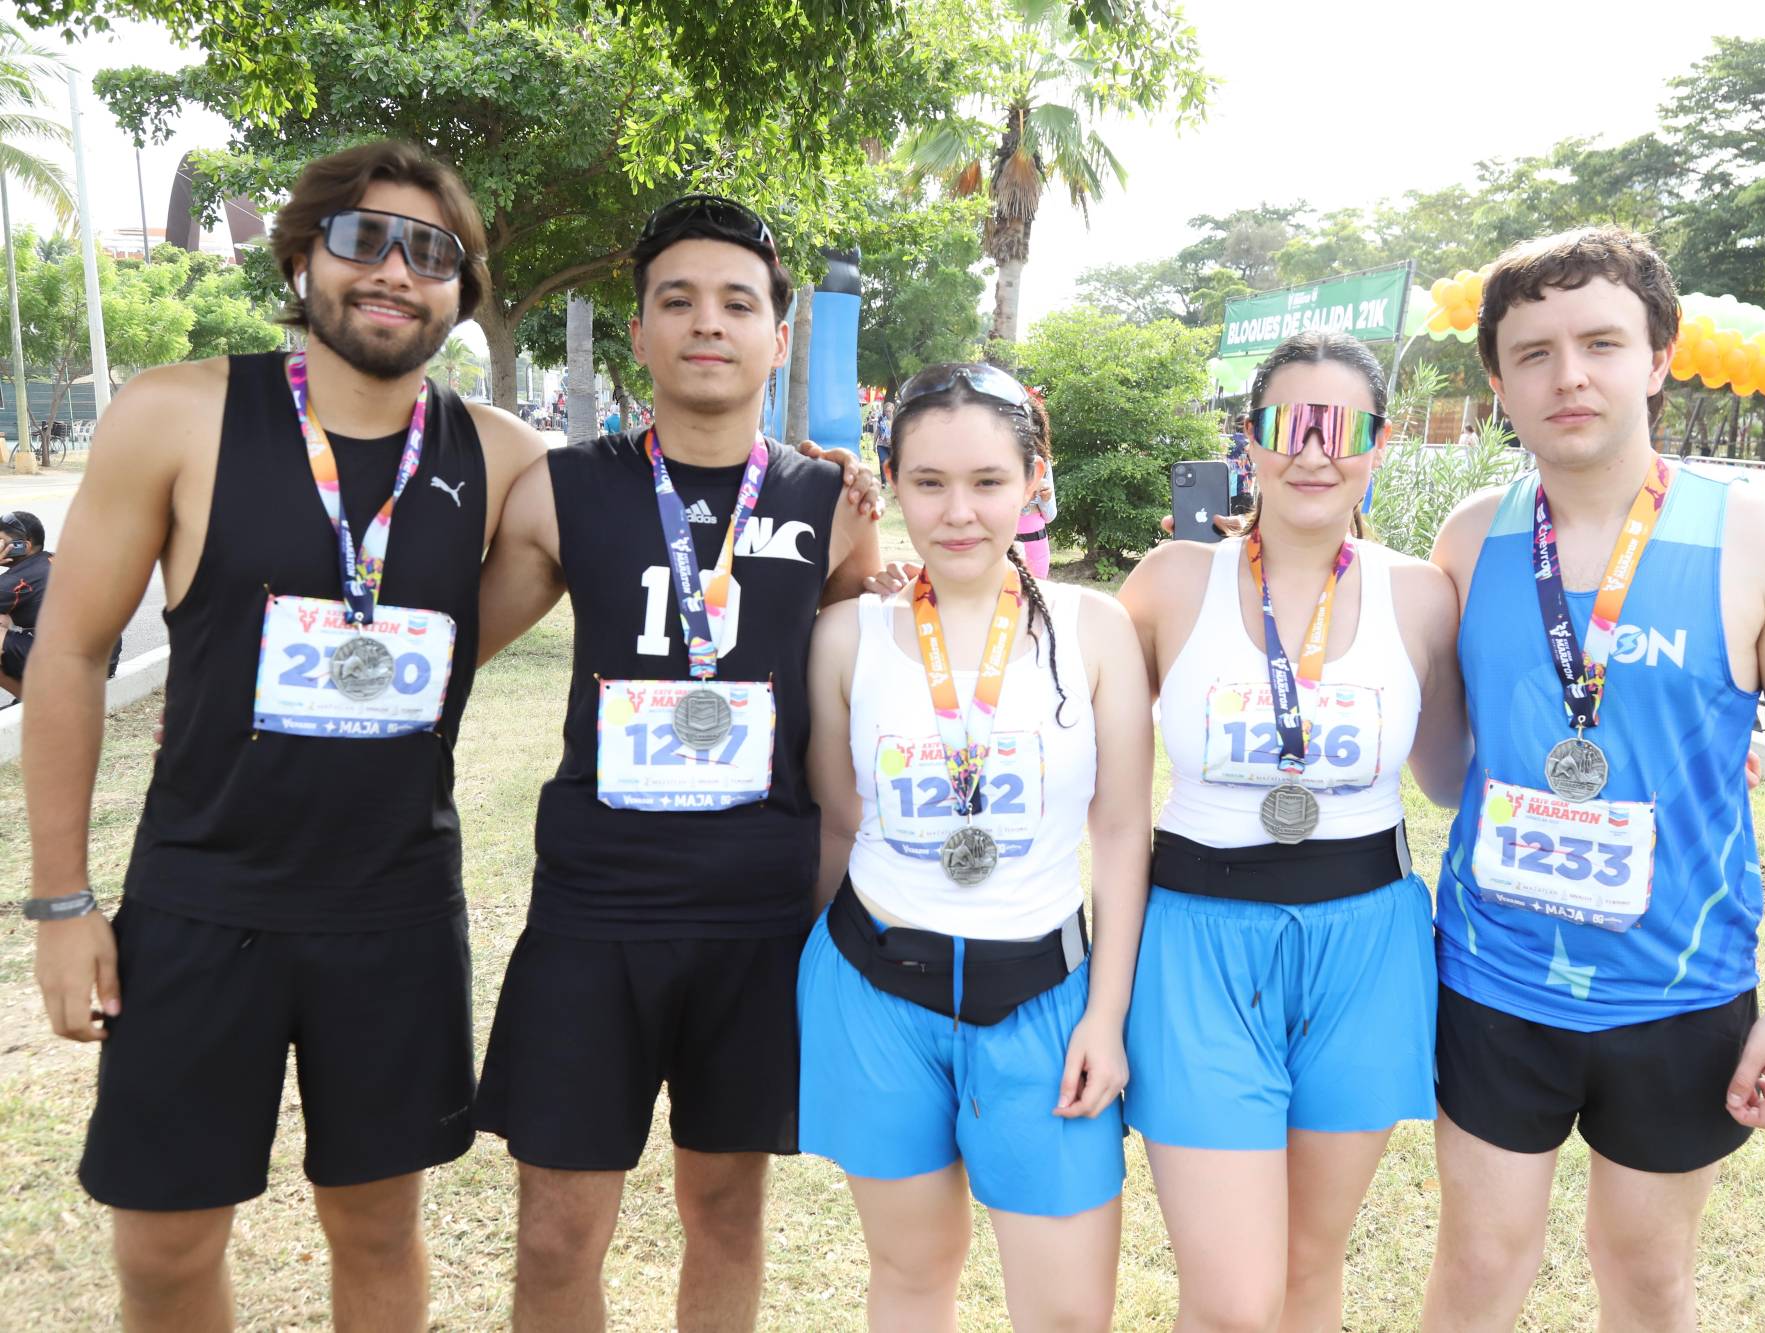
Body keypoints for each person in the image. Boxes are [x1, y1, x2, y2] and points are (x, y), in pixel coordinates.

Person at [22, 140, 546, 1331]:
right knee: (162, 1243)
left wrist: (837, 506)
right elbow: (68, 652)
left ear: (460, 288)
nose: (396, 272)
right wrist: (61, 902)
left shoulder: (503, 456)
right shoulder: (179, 411)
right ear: (303, 254)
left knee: (374, 1227)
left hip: (395, 908)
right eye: (365, 238)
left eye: (433, 252)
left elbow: (588, 556)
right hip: (203, 899)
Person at [1424, 227, 1765, 1332]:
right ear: (1496, 382)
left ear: (1658, 357)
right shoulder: (1468, 540)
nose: (1566, 376)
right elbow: (1439, 773)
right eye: (1531, 353)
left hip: (1679, 991)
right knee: (1475, 1267)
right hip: (1491, 981)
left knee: (1647, 1279)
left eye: (1600, 344)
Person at [471, 193, 881, 1333]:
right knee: (556, 1228)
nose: (708, 323)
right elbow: (450, 654)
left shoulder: (831, 507)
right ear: (640, 329)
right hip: (594, 909)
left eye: (737, 303)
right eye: (678, 301)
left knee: (725, 1209)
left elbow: (870, 672)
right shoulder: (564, 488)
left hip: (758, 915)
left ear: (778, 337)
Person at [1116, 330, 1467, 1330]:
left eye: (1339, 426)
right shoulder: (1170, 581)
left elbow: (1450, 777)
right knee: (1230, 1300)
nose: (1313, 451)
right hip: (1195, 945)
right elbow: (1071, 741)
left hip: (1365, 945)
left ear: (1378, 441)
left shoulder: (1420, 594)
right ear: (1249, 438)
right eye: (1288, 425)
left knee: (1309, 1274)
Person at [799, 362, 1151, 1330]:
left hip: (1044, 1000)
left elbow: (1120, 832)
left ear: (1034, 480)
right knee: (913, 1277)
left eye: (988, 481)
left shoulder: (1095, 629)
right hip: (875, 994)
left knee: (1068, 1310)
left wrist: (1106, 1017)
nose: (958, 511)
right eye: (928, 482)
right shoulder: (845, 636)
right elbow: (838, 820)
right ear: (893, 483)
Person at [2, 510, 121, 700]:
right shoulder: (55, 559)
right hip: (103, 664)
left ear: (22, 546)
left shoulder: (18, 579)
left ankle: (30, 701)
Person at [1014, 443, 1057, 577]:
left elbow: (1050, 516)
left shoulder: (1042, 461)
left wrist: (1045, 500)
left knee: (1038, 593)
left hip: (1038, 544)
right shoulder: (1003, 457)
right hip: (1010, 543)